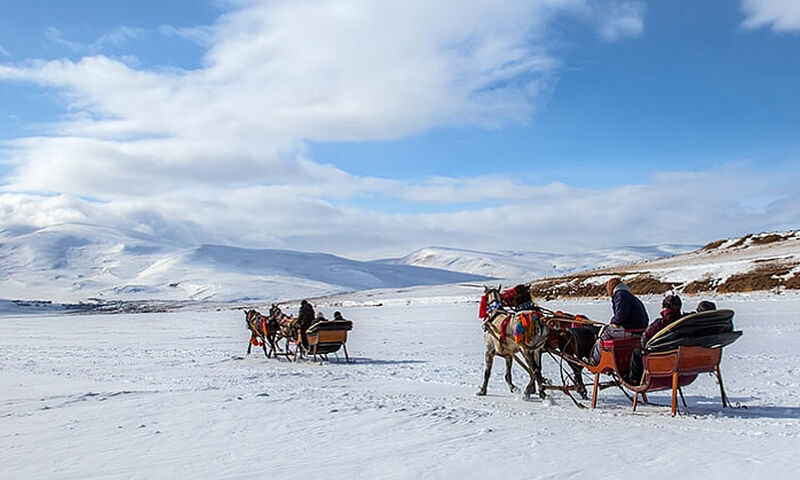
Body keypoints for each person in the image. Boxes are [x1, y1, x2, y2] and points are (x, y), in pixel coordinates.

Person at [625, 294, 685, 385]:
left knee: (637, 352)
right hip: (680, 356)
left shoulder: (661, 323)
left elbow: (645, 339)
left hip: (663, 357)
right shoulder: (683, 321)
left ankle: (634, 379)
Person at [591, 278, 649, 363]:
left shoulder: (620, 295)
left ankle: (595, 360)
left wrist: (614, 322)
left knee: (605, 332)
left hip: (631, 330)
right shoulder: (628, 295)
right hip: (640, 330)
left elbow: (620, 316)